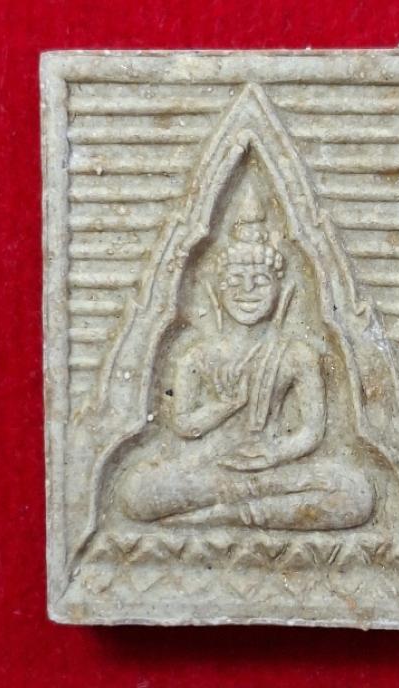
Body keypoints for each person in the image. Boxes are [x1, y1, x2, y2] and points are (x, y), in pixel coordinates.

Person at [118, 187, 374, 530]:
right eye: (236, 281)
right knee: (136, 489)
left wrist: (275, 453)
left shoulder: (297, 355)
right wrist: (225, 405)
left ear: (281, 290)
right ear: (217, 291)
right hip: (209, 466)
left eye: (260, 281)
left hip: (270, 469)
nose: (248, 291)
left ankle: (228, 515)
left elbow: (311, 431)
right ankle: (249, 508)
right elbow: (184, 424)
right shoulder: (198, 356)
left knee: (355, 491)